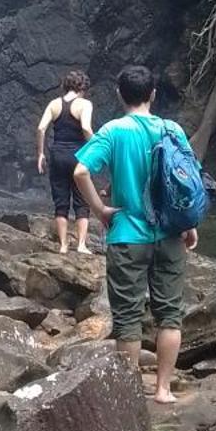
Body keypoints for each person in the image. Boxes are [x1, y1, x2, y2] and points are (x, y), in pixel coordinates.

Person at [73, 63, 196, 404]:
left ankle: (131, 398)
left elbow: (81, 171)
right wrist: (189, 224)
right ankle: (163, 390)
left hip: (126, 234)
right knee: (170, 315)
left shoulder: (113, 132)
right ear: (153, 95)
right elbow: (186, 181)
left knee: (127, 319)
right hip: (169, 234)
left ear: (118, 94)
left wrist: (99, 210)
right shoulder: (172, 129)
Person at [35, 69, 94, 255]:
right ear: (83, 87)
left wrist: (40, 154)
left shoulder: (54, 104)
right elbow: (85, 127)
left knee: (61, 202)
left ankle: (63, 245)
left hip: (57, 155)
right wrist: (98, 146)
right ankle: (81, 245)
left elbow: (41, 128)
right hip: (79, 156)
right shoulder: (85, 104)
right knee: (82, 201)